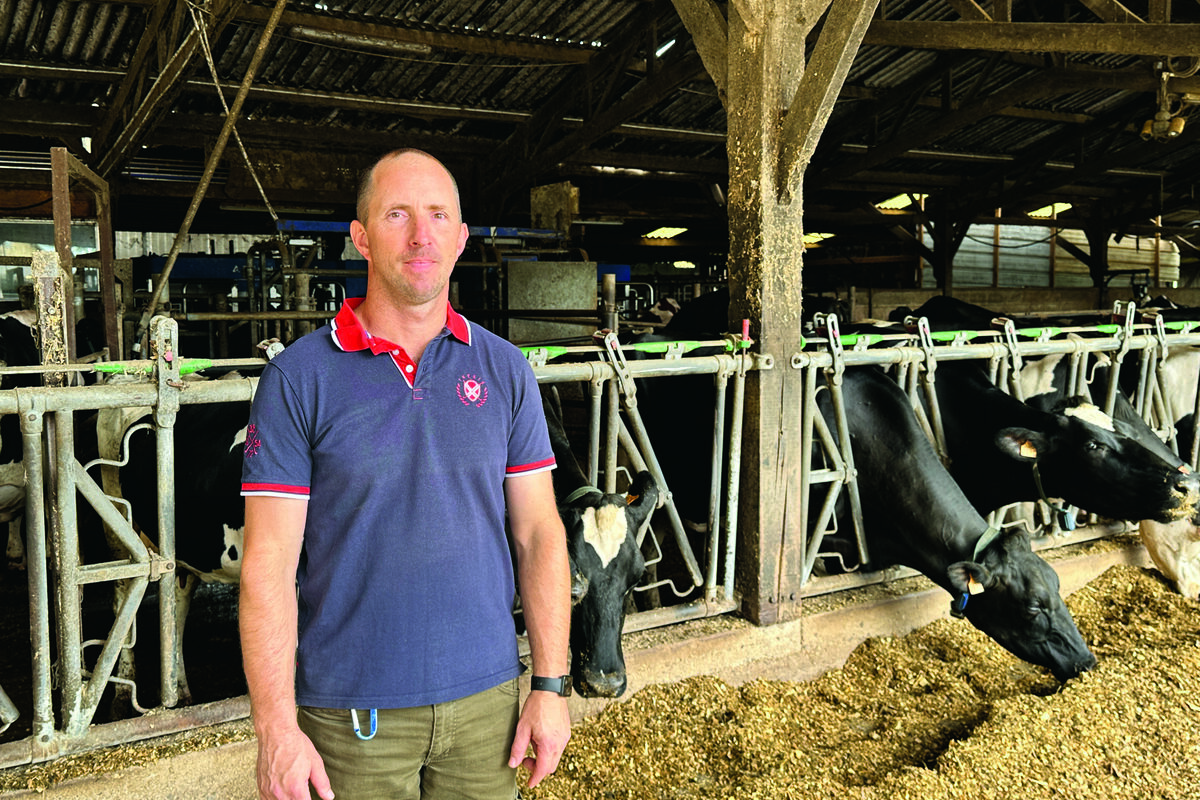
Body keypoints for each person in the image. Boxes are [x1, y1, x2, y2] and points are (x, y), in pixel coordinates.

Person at [239, 148, 572, 800]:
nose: (421, 235)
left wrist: (550, 686)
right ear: (360, 236)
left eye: (438, 215)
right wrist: (276, 727)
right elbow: (267, 565)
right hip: (349, 714)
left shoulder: (506, 371)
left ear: (460, 237)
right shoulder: (298, 378)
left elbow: (540, 535)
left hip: (489, 706)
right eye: (397, 215)